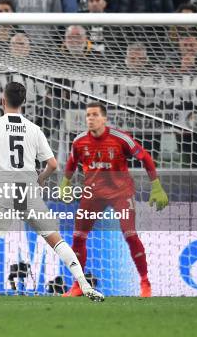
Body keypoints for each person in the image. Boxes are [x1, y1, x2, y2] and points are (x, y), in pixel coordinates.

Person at [0, 82, 104, 303]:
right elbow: (52, 164)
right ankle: (85, 285)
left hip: (3, 187)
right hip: (27, 188)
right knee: (55, 240)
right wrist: (39, 180)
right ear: (23, 102)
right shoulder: (33, 128)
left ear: (3, 100)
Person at [59, 102, 168, 298]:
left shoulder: (120, 138)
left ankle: (145, 283)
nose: (90, 119)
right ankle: (78, 285)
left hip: (121, 193)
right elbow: (72, 162)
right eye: (88, 115)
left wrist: (156, 185)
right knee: (78, 237)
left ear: (104, 118)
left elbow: (144, 157)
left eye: (94, 115)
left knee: (130, 234)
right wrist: (64, 183)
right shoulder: (79, 141)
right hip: (92, 194)